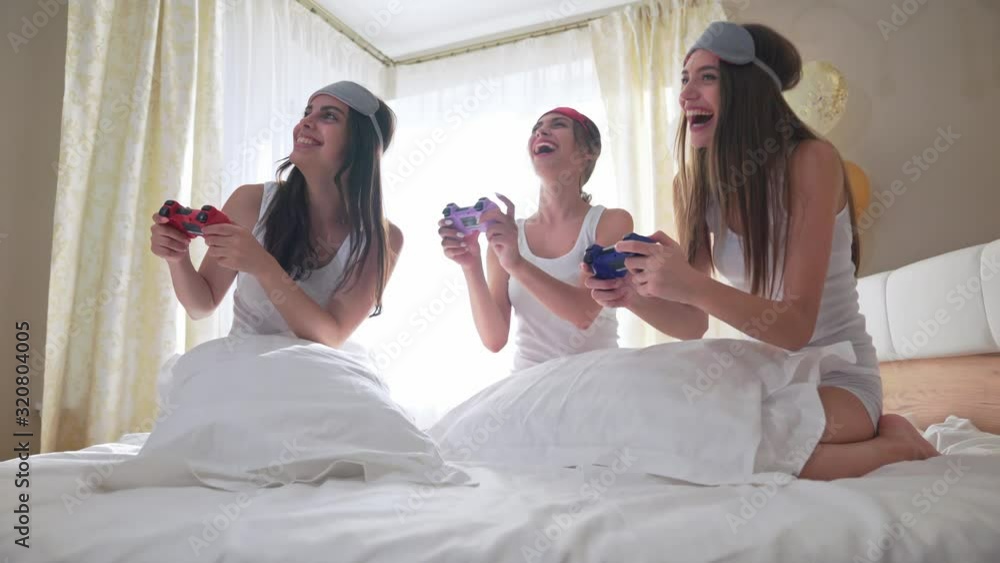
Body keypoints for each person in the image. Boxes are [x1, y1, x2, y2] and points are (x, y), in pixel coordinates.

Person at [585, 22, 939, 479]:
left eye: (707, 78)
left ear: (748, 87)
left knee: (751, 454)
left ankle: (901, 445)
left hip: (841, 382)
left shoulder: (812, 160)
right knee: (695, 436)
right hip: (770, 375)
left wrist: (688, 283)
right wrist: (633, 296)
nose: (686, 94)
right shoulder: (693, 184)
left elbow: (794, 327)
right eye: (684, 79)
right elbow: (692, 323)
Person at [150, 81, 403, 348]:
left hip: (315, 370)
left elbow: (331, 335)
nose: (305, 122)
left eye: (329, 116)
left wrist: (262, 265)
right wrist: (177, 258)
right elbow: (201, 306)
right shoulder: (251, 202)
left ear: (362, 144)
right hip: (242, 363)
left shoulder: (384, 239)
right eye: (307, 112)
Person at [438, 108, 634, 371]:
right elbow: (494, 339)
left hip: (597, 379)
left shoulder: (611, 222)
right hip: (528, 383)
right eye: (536, 128)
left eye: (558, 124)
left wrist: (516, 263)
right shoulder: (508, 237)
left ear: (588, 152)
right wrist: (470, 264)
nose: (541, 132)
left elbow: (583, 315)